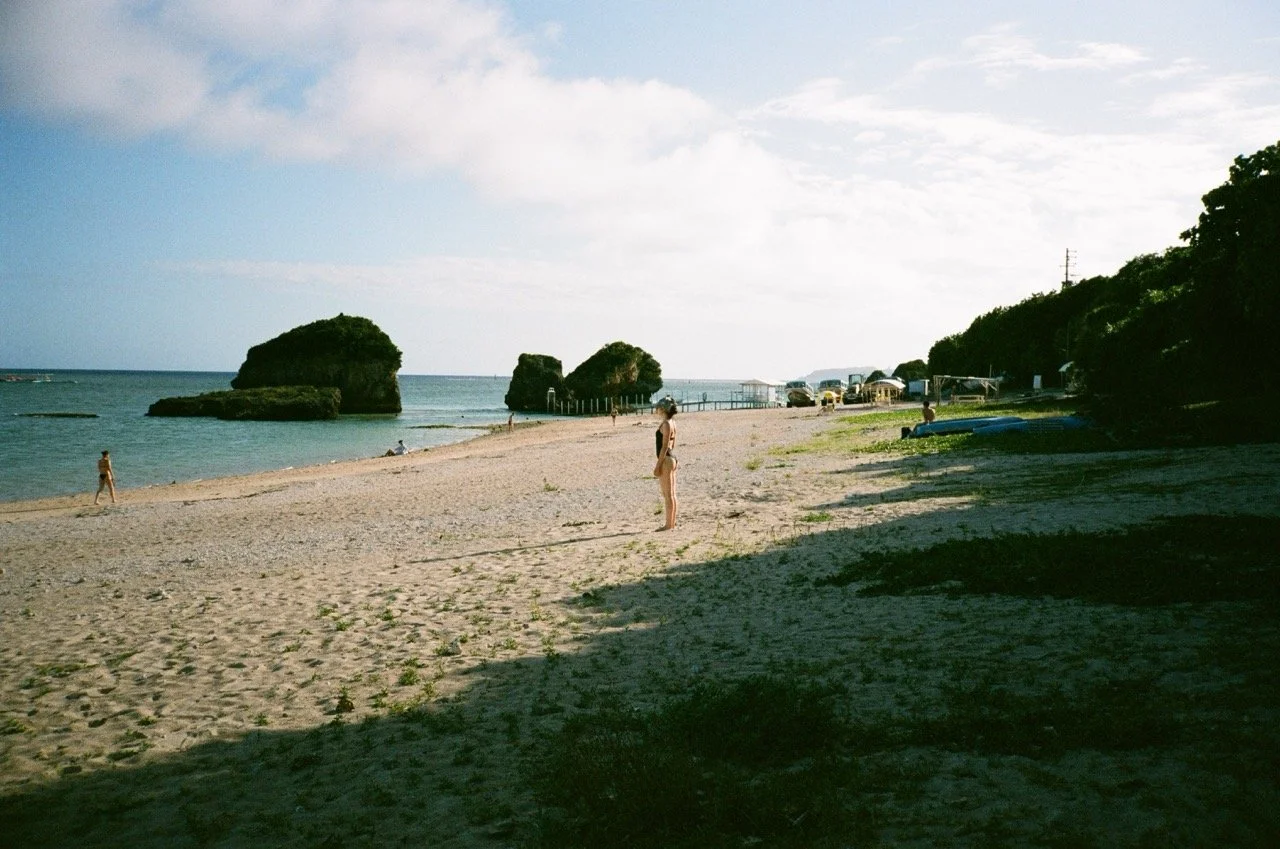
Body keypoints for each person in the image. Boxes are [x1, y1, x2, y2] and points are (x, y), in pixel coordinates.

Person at [653, 399, 678, 531]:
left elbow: (663, 447)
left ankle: (668, 525)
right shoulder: (673, 423)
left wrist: (658, 466)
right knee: (672, 494)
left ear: (663, 409)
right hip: (672, 457)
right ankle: (671, 523)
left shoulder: (666, 424)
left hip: (666, 459)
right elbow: (672, 444)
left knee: (668, 494)